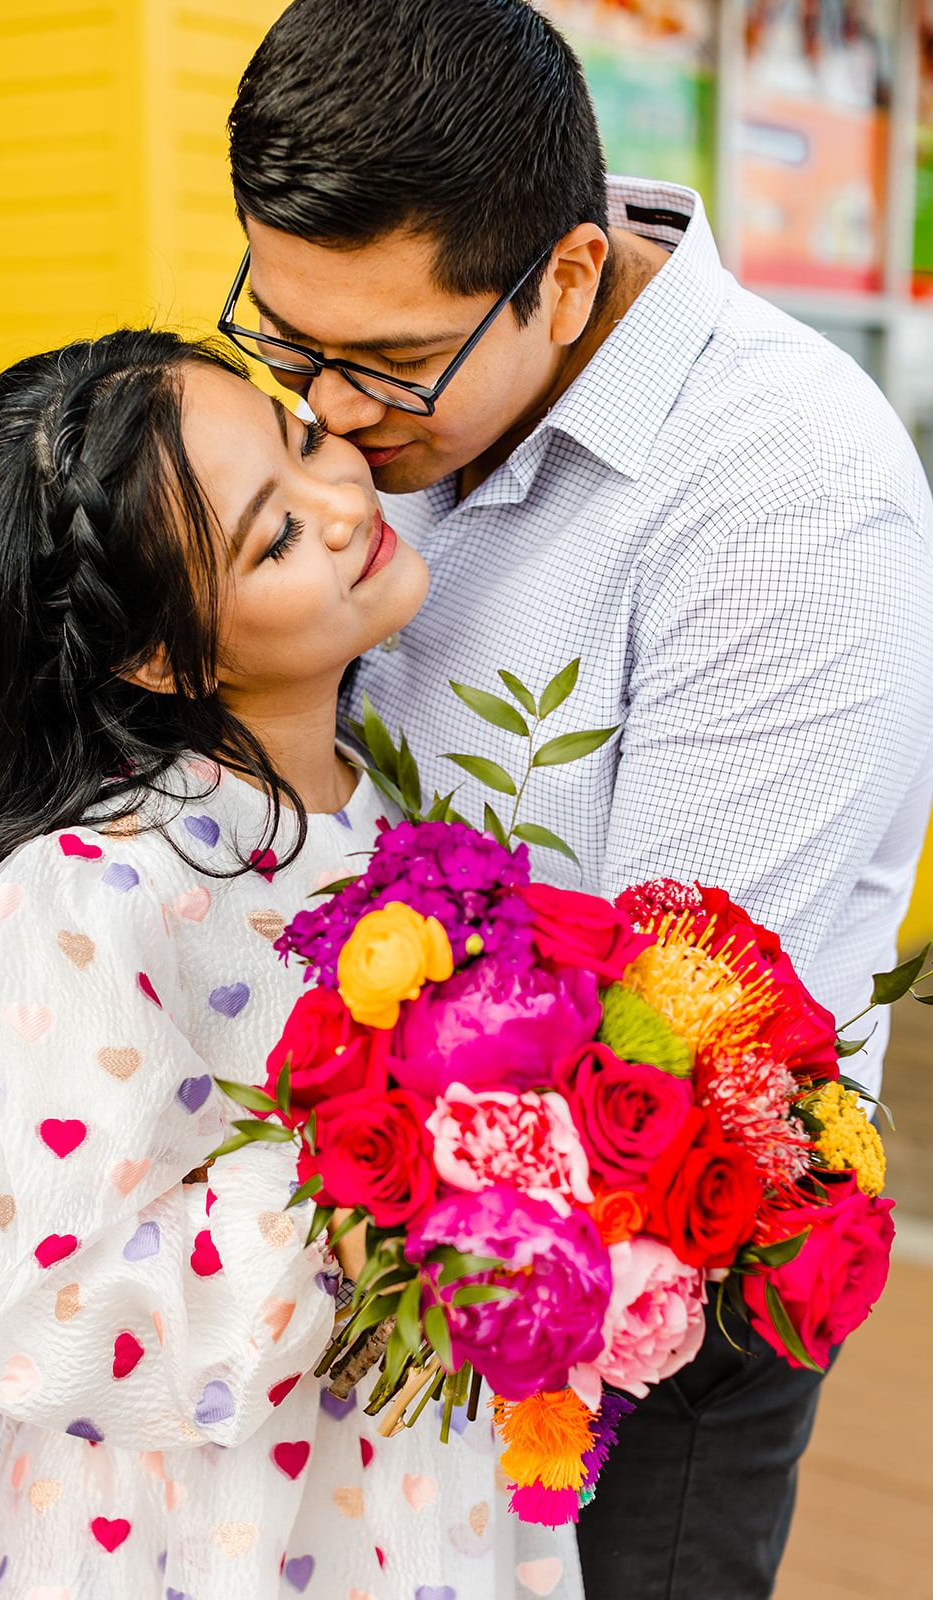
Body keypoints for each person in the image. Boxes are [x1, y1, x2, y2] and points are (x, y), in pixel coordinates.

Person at [220, 2, 933, 1597]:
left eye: (389, 364)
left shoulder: (786, 494)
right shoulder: (387, 415)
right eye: (287, 339)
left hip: (646, 1296)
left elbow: (691, 1048)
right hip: (374, 1260)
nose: (327, 415)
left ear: (562, 274)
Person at [0, 327, 579, 1598]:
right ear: (161, 656)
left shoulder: (406, 822)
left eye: (305, 441)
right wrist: (365, 1190)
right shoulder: (90, 893)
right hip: (211, 1536)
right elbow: (37, 1312)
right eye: (273, 538)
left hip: (422, 1495)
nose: (342, 498)